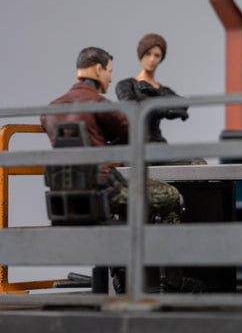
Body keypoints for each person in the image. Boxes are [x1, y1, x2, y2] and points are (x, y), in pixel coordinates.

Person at [40, 46, 204, 294]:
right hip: (105, 188)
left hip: (67, 195)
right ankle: (173, 282)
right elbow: (134, 134)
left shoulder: (50, 111)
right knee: (170, 196)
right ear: (98, 69)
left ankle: (120, 272)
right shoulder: (101, 106)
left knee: (121, 210)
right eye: (109, 71)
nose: (110, 78)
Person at [115, 33, 189, 144]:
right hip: (134, 141)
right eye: (148, 54)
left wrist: (156, 93)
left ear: (161, 58)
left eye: (157, 55)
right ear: (141, 55)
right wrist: (166, 110)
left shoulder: (163, 90)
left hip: (156, 141)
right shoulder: (126, 84)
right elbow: (134, 108)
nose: (152, 59)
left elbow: (183, 104)